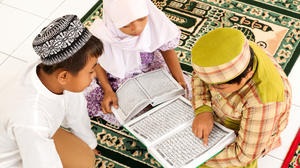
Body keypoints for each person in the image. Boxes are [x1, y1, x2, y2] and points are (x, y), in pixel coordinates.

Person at [0, 15, 104, 168]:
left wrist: (88, 144)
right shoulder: (32, 120)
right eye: (90, 71)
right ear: (64, 76)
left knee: (85, 158)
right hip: (8, 160)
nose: (94, 75)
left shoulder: (52, 73)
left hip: (27, 137)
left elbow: (77, 112)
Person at [191, 27, 292, 168]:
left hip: (250, 126)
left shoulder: (262, 103)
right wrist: (203, 108)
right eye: (209, 83)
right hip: (230, 115)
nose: (212, 90)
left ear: (248, 75)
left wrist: (193, 157)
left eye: (220, 87)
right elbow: (199, 76)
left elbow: (242, 156)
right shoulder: (233, 49)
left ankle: (266, 141)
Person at [84, 0, 192, 126]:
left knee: (185, 93)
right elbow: (98, 63)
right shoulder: (101, 33)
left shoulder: (154, 20)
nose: (137, 28)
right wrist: (107, 90)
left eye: (142, 18)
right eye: (125, 25)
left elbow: (167, 48)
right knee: (127, 111)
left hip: (150, 67)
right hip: (119, 76)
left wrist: (179, 80)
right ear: (113, 22)